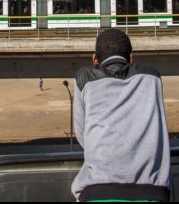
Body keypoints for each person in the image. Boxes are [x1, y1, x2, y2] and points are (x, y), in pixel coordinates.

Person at [71, 29, 171, 202]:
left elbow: (83, 136)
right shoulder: (152, 77)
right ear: (131, 58)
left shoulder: (84, 79)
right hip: (152, 193)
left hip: (97, 192)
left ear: (94, 59)